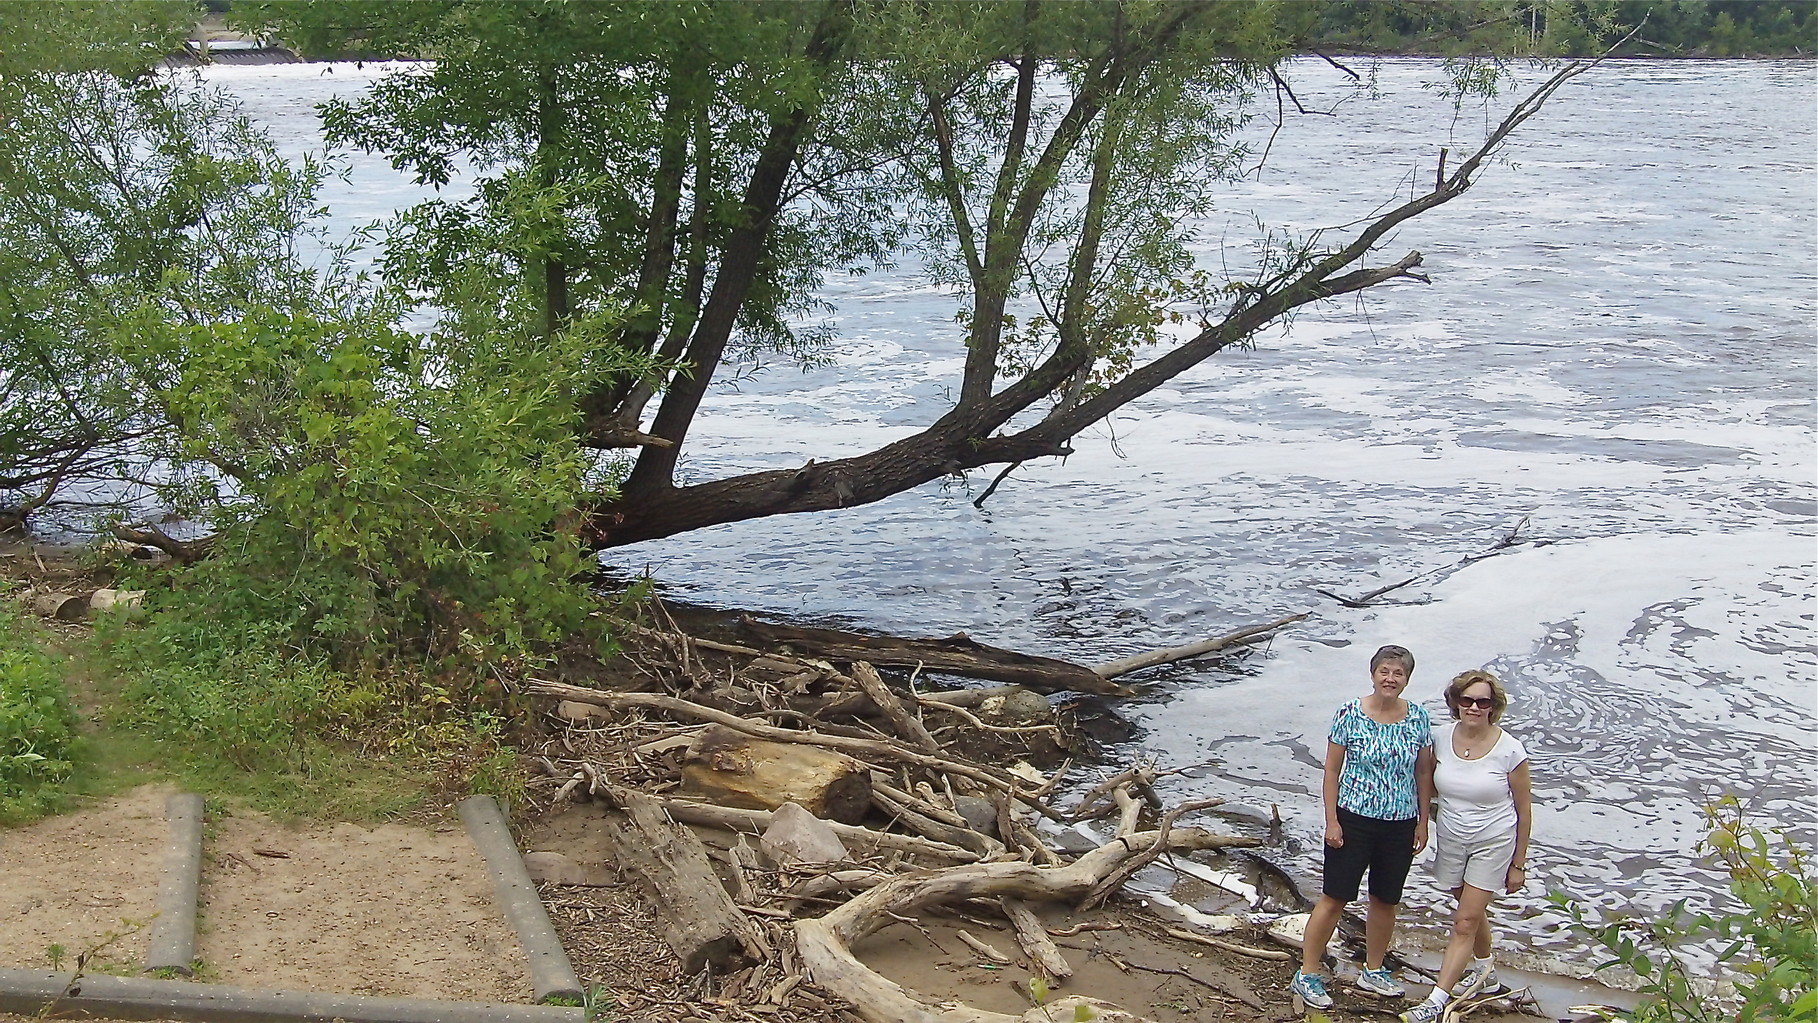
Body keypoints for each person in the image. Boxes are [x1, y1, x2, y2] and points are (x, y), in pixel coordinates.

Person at [1290, 645, 1435, 1011]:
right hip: (1352, 819)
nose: (1390, 679)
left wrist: (1422, 821)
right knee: (1335, 897)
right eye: (1384, 671)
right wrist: (1332, 820)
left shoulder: (1418, 717)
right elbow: (1332, 771)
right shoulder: (1350, 713)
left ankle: (1373, 968)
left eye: (1398, 673)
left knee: (1386, 900)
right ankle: (1307, 972)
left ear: (1407, 679)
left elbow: (1423, 773)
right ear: (1373, 674)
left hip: (1399, 823)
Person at [1400, 669, 1532, 1023]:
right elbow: (1423, 780)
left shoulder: (1510, 750)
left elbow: (1524, 809)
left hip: (1495, 840)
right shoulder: (1439, 738)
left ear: (1493, 706)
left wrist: (1519, 863)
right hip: (1452, 836)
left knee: (1464, 921)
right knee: (1467, 909)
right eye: (1467, 700)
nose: (1474, 706)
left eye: (1483, 701)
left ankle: (1436, 1001)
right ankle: (1486, 971)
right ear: (1455, 703)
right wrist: (1420, 824)